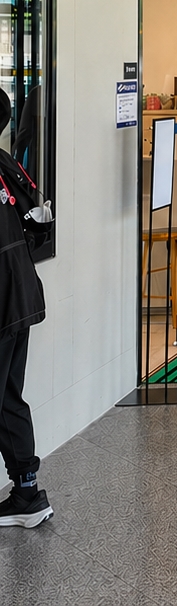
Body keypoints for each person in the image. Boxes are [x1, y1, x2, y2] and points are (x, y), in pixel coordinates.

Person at [0, 87, 50, 528]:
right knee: (8, 398)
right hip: (21, 295)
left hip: (2, 302)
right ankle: (28, 492)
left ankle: (27, 494)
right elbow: (38, 225)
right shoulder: (6, 165)